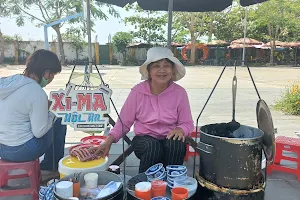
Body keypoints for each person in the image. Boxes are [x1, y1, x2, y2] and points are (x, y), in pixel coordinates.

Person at [94, 47, 194, 173]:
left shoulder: (180, 93)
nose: (162, 70)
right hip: (144, 139)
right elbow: (124, 122)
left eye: (166, 66)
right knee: (153, 148)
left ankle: (171, 185)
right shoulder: (138, 92)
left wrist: (181, 129)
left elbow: (188, 123)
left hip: (169, 137)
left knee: (176, 145)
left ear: (172, 70)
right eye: (156, 66)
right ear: (149, 71)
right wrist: (108, 141)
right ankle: (143, 186)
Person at [0, 49, 67, 180]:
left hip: (2, 148)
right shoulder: (36, 92)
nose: (51, 79)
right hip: (21, 150)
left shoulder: (10, 81)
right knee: (58, 119)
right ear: (46, 73)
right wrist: (54, 110)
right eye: (53, 75)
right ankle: (50, 167)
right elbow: (39, 132)